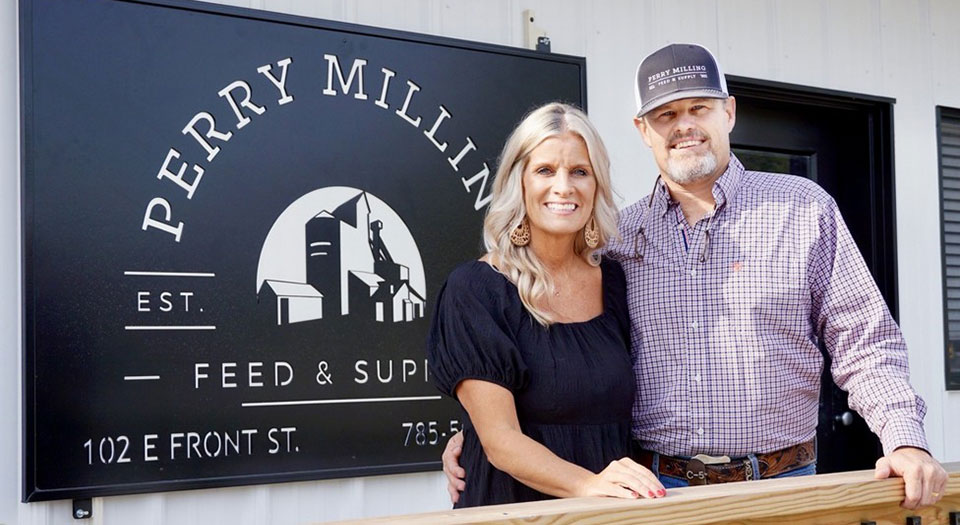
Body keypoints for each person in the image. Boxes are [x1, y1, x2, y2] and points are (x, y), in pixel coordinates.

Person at [442, 44, 948, 510]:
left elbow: (864, 341)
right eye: (666, 114)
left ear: (728, 111)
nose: (683, 125)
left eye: (698, 108)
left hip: (783, 487)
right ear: (643, 130)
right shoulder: (620, 241)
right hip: (657, 495)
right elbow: (543, 364)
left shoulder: (802, 211)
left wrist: (903, 438)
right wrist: (482, 434)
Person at [426, 102, 665, 507]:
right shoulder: (477, 290)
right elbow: (501, 441)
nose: (564, 187)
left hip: (611, 512)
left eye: (579, 172)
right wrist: (588, 485)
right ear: (518, 181)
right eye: (545, 170)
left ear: (596, 185)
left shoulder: (617, 282)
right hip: (514, 508)